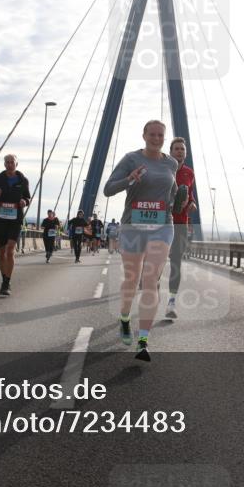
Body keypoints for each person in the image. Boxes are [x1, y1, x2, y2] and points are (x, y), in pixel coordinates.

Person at [103, 119, 186, 361]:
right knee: (132, 279)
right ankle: (125, 318)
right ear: (144, 135)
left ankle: (143, 340)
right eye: (152, 134)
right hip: (133, 226)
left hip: (162, 226)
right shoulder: (131, 159)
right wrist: (130, 179)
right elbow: (108, 189)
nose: (157, 139)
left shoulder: (171, 163)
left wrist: (179, 200)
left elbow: (171, 193)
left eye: (161, 135)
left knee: (150, 279)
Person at [0, 154, 30, 296]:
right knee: (2, 251)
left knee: (11, 249)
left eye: (12, 162)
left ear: (17, 164)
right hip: (1, 219)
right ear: (4, 164)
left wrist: (24, 201)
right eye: (7, 162)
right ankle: (4, 278)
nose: (10, 164)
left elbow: (27, 197)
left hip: (15, 219)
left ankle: (6, 283)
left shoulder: (23, 180)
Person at [166, 136, 196, 319]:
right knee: (157, 263)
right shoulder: (162, 168)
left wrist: (192, 202)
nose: (179, 151)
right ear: (170, 151)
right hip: (161, 222)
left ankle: (171, 303)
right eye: (176, 148)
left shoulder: (189, 173)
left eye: (182, 149)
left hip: (180, 223)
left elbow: (190, 193)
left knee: (176, 263)